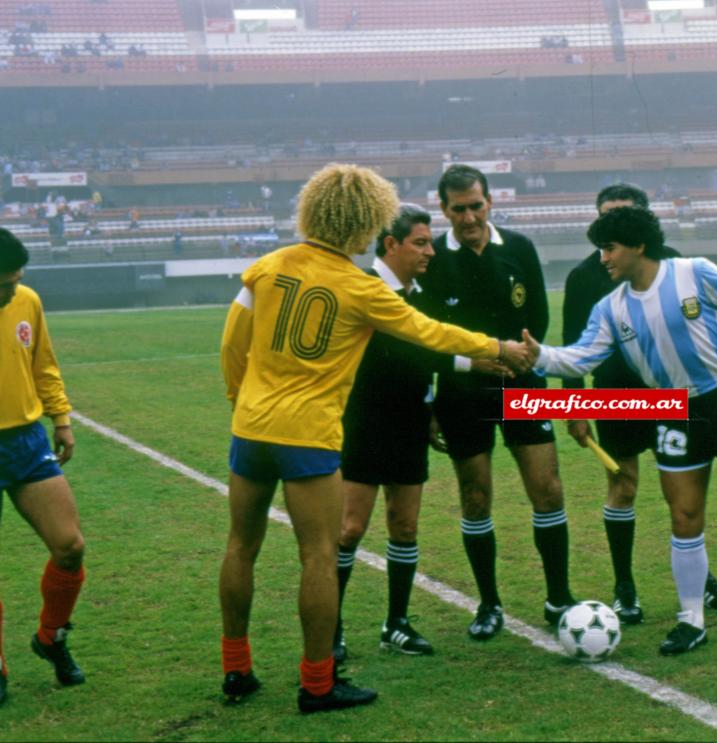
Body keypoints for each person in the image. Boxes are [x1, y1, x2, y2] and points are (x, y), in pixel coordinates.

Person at [218, 164, 531, 713]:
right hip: (309, 434)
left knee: (241, 546)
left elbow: (232, 345)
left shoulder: (265, 268)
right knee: (318, 553)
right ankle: (317, 682)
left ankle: (236, 668)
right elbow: (430, 333)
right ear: (365, 221)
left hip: (251, 428)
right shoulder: (362, 288)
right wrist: (498, 346)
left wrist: (241, 400)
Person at [527, 206, 717, 655]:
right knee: (684, 518)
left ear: (637, 245)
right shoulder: (610, 308)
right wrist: (537, 356)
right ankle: (692, 620)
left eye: (609, 248)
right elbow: (580, 358)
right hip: (674, 414)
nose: (603, 259)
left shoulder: (695, 272)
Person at [333, 204, 514, 661]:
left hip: (409, 419)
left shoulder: (415, 292)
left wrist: (431, 405)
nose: (430, 251)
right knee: (350, 529)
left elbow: (424, 350)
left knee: (405, 526)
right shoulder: (367, 289)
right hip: (365, 422)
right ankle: (329, 629)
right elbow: (405, 350)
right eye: (420, 242)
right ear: (390, 244)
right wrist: (471, 360)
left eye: (430, 242)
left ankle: (396, 623)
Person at [561, 184, 717, 625]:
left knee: (684, 493)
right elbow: (572, 349)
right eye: (608, 216)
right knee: (623, 487)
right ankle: (625, 586)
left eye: (625, 215)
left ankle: (702, 581)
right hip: (616, 394)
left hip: (668, 392)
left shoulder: (672, 261)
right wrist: (574, 405)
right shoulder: (583, 276)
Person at [417, 164, 576, 640]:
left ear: (490, 203)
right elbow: (425, 337)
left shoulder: (520, 248)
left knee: (547, 489)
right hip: (464, 394)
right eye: (458, 209)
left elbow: (540, 317)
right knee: (476, 497)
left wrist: (524, 357)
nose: (468, 218)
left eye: (476, 206)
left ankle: (559, 597)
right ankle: (488, 604)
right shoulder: (434, 260)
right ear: (443, 210)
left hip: (523, 386)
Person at [0, 228, 88, 704]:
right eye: (3, 285)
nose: (11, 291)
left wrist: (62, 420)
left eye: (16, 281)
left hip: (27, 441)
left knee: (69, 545)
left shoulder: (26, 301)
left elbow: (43, 365)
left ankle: (51, 637)